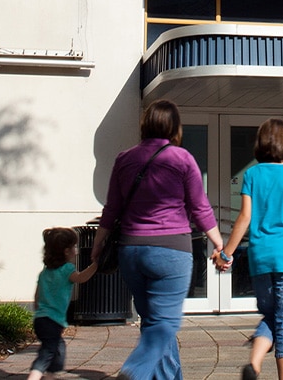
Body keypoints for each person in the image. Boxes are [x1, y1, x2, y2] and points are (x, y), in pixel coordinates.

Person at [92, 100, 225, 380]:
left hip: (131, 251)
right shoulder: (182, 158)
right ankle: (134, 371)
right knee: (163, 325)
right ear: (175, 127)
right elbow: (199, 206)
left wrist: (98, 243)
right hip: (171, 252)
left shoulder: (124, 158)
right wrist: (219, 242)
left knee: (153, 323)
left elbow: (112, 207)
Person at [215, 119, 283, 380]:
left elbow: (244, 218)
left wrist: (227, 254)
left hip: (259, 258)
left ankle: (255, 364)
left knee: (271, 315)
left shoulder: (252, 175)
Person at [28, 226, 98, 380]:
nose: (76, 250)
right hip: (53, 320)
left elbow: (37, 296)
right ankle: (35, 374)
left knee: (58, 347)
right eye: (74, 247)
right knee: (48, 352)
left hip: (40, 319)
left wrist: (39, 310)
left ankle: (51, 374)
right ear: (66, 251)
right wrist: (95, 265)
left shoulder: (45, 272)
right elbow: (81, 278)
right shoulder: (67, 269)